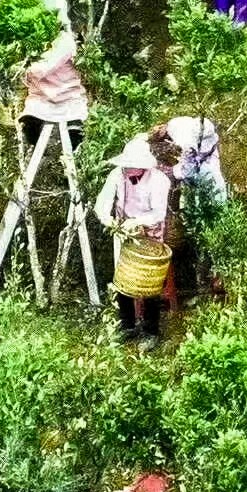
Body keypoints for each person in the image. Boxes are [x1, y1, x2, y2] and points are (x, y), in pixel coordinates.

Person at [95, 135, 177, 353]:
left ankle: (151, 331)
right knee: (123, 279)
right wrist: (110, 221)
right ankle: (128, 325)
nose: (127, 169)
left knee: (148, 283)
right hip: (124, 234)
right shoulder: (117, 175)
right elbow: (101, 205)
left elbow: (158, 214)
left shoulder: (160, 181)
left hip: (150, 235)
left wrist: (137, 222)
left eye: (132, 166)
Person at [20, 0, 88, 149]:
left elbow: (44, 67)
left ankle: (74, 139)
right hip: (41, 97)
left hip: (66, 96)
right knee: (31, 119)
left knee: (73, 126)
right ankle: (36, 143)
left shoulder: (65, 42)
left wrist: (24, 69)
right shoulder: (36, 42)